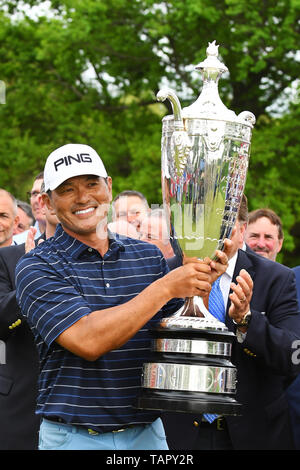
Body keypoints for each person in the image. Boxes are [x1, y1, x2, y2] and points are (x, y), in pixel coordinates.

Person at [15, 143, 229, 451]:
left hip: (148, 434)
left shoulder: (147, 256)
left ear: (109, 187)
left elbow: (180, 334)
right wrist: (166, 286)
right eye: (67, 189)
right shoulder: (37, 265)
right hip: (75, 438)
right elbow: (88, 340)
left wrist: (201, 281)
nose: (83, 197)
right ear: (48, 202)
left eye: (92, 184)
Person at [163, 195, 300, 450]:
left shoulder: (277, 279)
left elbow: (292, 356)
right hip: (179, 434)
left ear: (241, 228)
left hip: (254, 433)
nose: (213, 233)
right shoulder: (166, 273)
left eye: (223, 224)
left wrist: (247, 322)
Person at [0, 185, 59, 450]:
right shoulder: (8, 258)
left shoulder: (100, 257)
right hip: (23, 407)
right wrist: (30, 277)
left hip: (87, 408)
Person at [13, 172, 46, 244]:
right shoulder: (15, 243)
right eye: (34, 193)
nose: (38, 199)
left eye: (44, 192)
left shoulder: (75, 240)